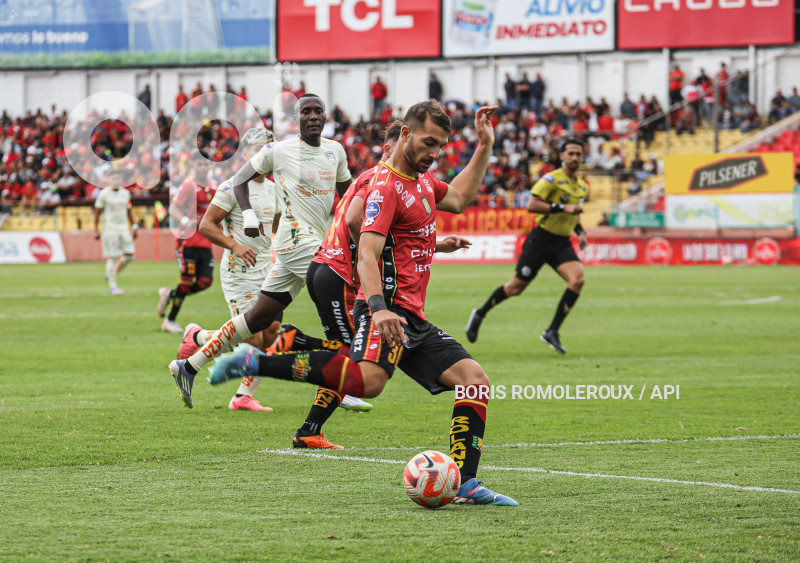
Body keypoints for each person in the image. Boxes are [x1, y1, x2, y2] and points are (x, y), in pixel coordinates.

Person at [207, 101, 518, 506]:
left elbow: (458, 198)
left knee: (474, 381)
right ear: (405, 135)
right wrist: (378, 305)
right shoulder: (385, 185)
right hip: (386, 309)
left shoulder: (423, 182)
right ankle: (257, 363)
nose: (435, 153)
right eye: (428, 143)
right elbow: (365, 249)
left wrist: (485, 146)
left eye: (440, 146)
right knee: (367, 383)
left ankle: (465, 482)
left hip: (412, 316)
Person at [168, 94, 352, 409]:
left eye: (317, 111)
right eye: (305, 111)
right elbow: (208, 224)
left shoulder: (331, 154)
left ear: (325, 116)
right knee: (339, 293)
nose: (312, 116)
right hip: (262, 261)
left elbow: (345, 198)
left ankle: (192, 362)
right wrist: (240, 238)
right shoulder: (268, 159)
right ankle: (343, 380)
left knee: (262, 327)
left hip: (273, 260)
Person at [181, 127, 283, 411]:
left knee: (271, 333)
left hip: (266, 270)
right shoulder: (232, 187)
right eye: (259, 149)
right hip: (239, 272)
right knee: (250, 337)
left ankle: (242, 397)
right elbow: (206, 225)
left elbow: (275, 228)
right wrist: (235, 245)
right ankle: (197, 336)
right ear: (246, 154)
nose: (265, 155)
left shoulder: (275, 189)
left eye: (269, 149)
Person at [466, 138, 588, 355]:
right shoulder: (551, 179)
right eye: (571, 153)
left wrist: (580, 232)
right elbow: (532, 204)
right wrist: (562, 208)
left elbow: (575, 213)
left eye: (578, 154)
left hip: (562, 242)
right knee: (515, 288)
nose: (575, 158)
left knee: (577, 279)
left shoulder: (581, 186)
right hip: (541, 239)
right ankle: (480, 313)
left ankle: (552, 331)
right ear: (562, 156)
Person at [157, 159, 217, 334]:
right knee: (187, 280)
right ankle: (170, 320)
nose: (203, 167)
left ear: (210, 167)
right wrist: (185, 221)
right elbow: (174, 208)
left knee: (206, 282)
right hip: (188, 240)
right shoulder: (188, 186)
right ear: (193, 166)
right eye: (199, 164)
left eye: (206, 164)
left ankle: (170, 294)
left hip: (205, 241)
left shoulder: (214, 186)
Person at [93, 168, 137, 295]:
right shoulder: (104, 194)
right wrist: (96, 230)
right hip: (109, 228)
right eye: (114, 178)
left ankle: (112, 273)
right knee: (112, 257)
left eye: (118, 178)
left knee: (130, 255)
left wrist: (134, 226)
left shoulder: (125, 193)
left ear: (121, 180)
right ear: (109, 180)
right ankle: (113, 287)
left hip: (123, 228)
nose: (116, 181)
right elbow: (97, 212)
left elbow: (129, 211)